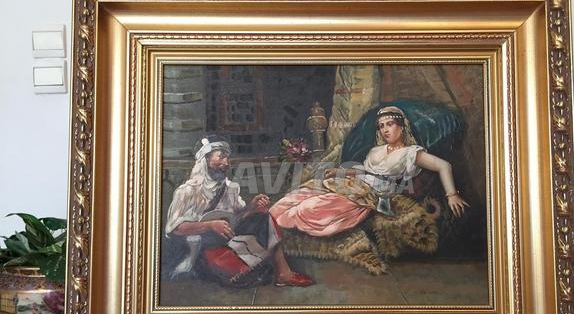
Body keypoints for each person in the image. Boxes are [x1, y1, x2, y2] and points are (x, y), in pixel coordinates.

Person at [270, 106, 469, 237]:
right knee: (300, 194)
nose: (385, 130)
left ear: (402, 127)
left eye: (390, 124)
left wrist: (452, 195)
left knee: (309, 208)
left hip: (369, 194)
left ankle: (278, 225)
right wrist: (339, 172)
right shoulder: (376, 151)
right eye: (381, 126)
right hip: (353, 184)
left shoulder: (411, 152)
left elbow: (444, 166)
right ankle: (268, 220)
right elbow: (364, 171)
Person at [165, 136, 313, 287]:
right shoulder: (187, 191)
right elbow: (175, 229)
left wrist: (252, 207)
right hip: (202, 249)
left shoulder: (230, 188)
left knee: (263, 217)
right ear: (205, 160)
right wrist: (210, 225)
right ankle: (240, 268)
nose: (226, 163)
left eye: (227, 158)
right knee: (242, 276)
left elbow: (237, 219)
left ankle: (283, 273)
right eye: (221, 157)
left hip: (228, 240)